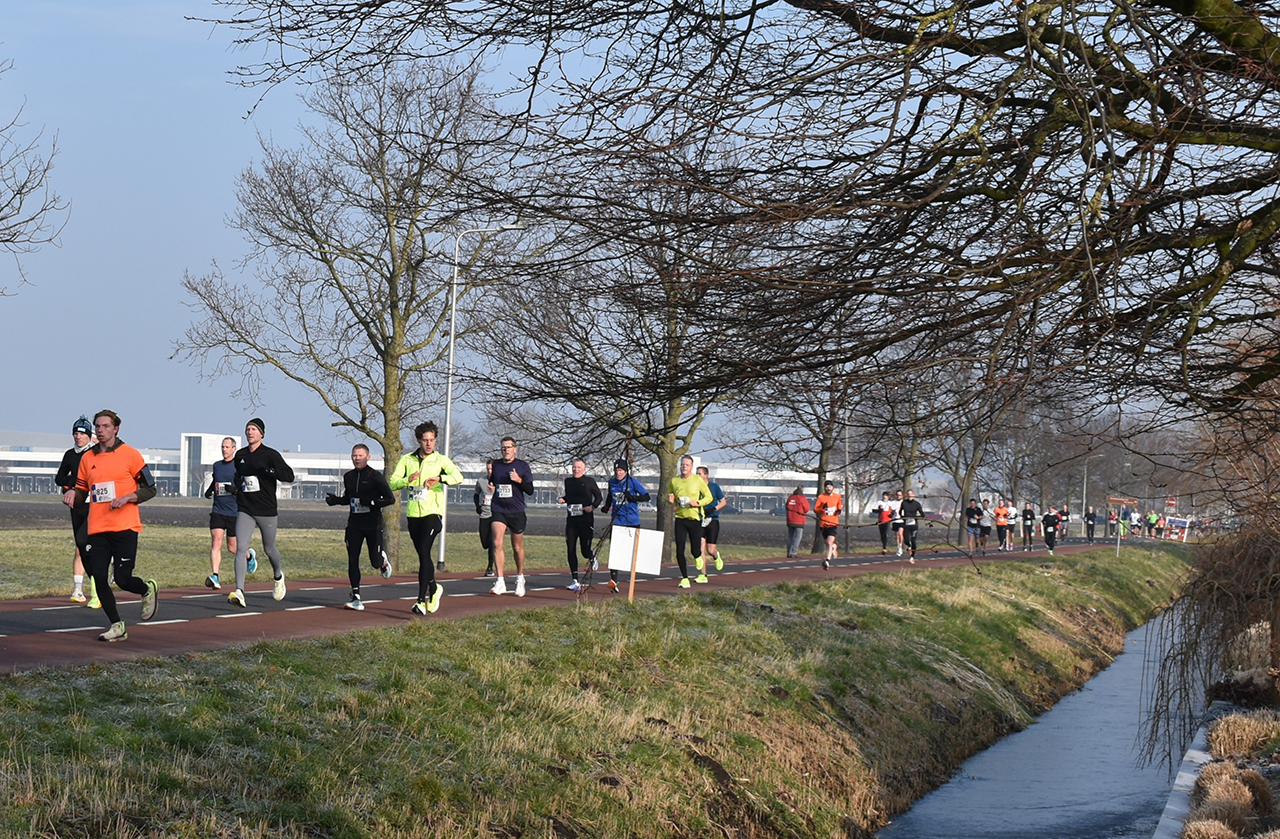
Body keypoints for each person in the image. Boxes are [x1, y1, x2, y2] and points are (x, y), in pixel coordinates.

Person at [65, 410, 159, 642]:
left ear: (116, 429)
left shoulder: (131, 455)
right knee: (98, 576)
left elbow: (150, 488)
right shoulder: (88, 459)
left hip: (125, 526)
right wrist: (72, 495)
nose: (100, 430)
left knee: (122, 578)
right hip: (98, 528)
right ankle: (117, 625)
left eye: (105, 426)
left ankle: (146, 589)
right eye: (97, 426)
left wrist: (128, 498)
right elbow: (82, 490)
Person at [390, 421, 463, 612]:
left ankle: (420, 600)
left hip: (433, 513)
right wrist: (408, 480)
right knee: (423, 556)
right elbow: (392, 483)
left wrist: (441, 478)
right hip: (414, 514)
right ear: (419, 440)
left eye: (432, 440)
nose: (429, 444)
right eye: (425, 440)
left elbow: (458, 477)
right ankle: (434, 587)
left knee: (424, 551)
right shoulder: (407, 459)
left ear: (435, 440)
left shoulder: (440, 460)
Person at [228, 417, 295, 608]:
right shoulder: (240, 455)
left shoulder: (270, 454)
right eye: (247, 429)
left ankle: (278, 576)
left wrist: (269, 471)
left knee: (269, 549)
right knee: (241, 548)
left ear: (261, 434)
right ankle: (239, 591)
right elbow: (238, 477)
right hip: (246, 508)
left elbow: (289, 476)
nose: (250, 432)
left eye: (254, 429)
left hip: (266, 510)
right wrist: (237, 486)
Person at [327, 443, 397, 611]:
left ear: (368, 457)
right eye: (354, 456)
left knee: (374, 561)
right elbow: (349, 498)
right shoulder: (349, 477)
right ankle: (356, 596)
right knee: (353, 559)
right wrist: (336, 500)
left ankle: (383, 562)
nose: (356, 459)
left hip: (373, 524)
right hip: (354, 525)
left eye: (360, 456)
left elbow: (390, 499)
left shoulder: (375, 476)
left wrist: (372, 502)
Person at [55, 415, 96, 606]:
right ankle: (78, 590)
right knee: (80, 547)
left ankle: (97, 590)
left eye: (81, 433)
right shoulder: (70, 455)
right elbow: (59, 477)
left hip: (95, 505)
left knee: (90, 544)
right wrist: (71, 484)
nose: (78, 437)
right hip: (76, 505)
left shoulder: (96, 452)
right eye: (75, 433)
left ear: (89, 435)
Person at [487, 436, 535, 596]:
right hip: (499, 508)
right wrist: (491, 486)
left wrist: (519, 480)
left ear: (515, 449)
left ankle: (520, 578)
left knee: (517, 547)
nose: (506, 450)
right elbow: (493, 480)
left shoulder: (522, 466)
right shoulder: (496, 465)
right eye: (503, 448)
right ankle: (500, 581)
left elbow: (530, 490)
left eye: (509, 447)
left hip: (516, 510)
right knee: (497, 542)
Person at [202, 436, 248, 591]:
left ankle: (249, 556)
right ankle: (215, 576)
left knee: (232, 548)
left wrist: (234, 490)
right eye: (223, 447)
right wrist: (209, 490)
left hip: (234, 512)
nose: (224, 450)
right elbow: (216, 479)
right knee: (216, 542)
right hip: (218, 510)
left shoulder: (239, 467)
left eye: (227, 447)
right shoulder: (217, 466)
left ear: (234, 449)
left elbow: (245, 487)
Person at [600, 459, 650, 592]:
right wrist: (606, 506)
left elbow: (646, 497)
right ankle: (614, 581)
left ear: (626, 471)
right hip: (617, 521)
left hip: (632, 521)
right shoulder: (612, 482)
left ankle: (633, 578)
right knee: (614, 551)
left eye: (620, 470)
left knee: (632, 552)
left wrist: (633, 498)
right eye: (616, 471)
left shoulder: (633, 482)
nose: (618, 473)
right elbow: (611, 496)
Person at [668, 455, 714, 586]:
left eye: (687, 465)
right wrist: (670, 500)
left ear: (691, 467)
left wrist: (698, 503)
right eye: (682, 464)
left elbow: (709, 497)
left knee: (695, 550)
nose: (684, 467)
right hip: (680, 518)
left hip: (695, 519)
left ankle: (698, 556)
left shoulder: (697, 480)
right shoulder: (674, 481)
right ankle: (685, 578)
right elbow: (670, 495)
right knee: (679, 549)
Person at [558, 459, 603, 591]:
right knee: (570, 548)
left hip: (586, 520)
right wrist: (563, 499)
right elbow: (570, 496)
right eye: (574, 467)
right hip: (572, 519)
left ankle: (591, 555)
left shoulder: (589, 481)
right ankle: (575, 580)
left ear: (584, 469)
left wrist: (592, 507)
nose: (575, 470)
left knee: (584, 550)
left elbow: (599, 497)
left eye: (578, 467)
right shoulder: (568, 481)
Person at [696, 465, 728, 576]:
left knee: (710, 550)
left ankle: (716, 556)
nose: (698, 476)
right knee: (701, 548)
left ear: (706, 475)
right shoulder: (696, 488)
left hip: (712, 520)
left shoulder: (714, 487)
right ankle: (703, 574)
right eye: (696, 474)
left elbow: (723, 502)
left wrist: (714, 509)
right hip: (700, 520)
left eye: (699, 474)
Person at [473, 461, 496, 577]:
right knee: (485, 543)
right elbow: (476, 495)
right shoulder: (481, 481)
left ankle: (490, 567)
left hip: (496, 516)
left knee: (492, 542)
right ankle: (492, 555)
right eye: (488, 469)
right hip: (484, 515)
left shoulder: (501, 482)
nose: (490, 471)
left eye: (492, 469)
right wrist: (477, 507)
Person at [814, 479, 842, 569]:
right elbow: (816, 509)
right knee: (827, 543)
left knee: (829, 542)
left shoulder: (837, 497)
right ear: (824, 488)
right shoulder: (821, 497)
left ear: (833, 488)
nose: (828, 488)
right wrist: (822, 508)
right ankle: (834, 547)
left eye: (830, 487)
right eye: (827, 487)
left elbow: (839, 506)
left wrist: (838, 511)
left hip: (833, 523)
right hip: (823, 523)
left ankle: (827, 560)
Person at [900, 489, 925, 563]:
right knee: (906, 540)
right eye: (908, 494)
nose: (910, 495)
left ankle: (912, 557)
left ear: (913, 495)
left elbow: (921, 513)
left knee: (913, 540)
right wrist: (902, 517)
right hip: (906, 524)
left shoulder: (916, 504)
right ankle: (909, 545)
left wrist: (922, 516)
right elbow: (900, 512)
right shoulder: (904, 503)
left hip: (914, 525)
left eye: (911, 494)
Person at [784, 486, 811, 558]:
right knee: (798, 537)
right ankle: (794, 552)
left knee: (790, 537)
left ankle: (789, 552)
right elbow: (807, 509)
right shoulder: (802, 498)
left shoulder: (790, 498)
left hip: (790, 519)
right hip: (799, 520)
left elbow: (786, 506)